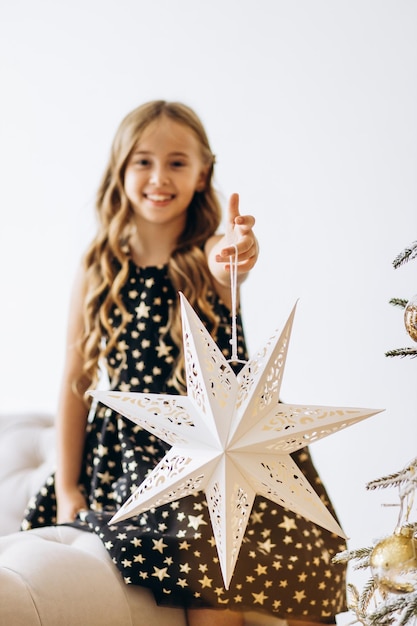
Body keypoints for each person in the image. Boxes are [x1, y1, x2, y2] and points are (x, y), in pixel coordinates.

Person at [22, 100, 347, 625]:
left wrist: (239, 250)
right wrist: (67, 487)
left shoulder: (211, 253)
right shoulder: (99, 264)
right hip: (144, 457)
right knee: (212, 583)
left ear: (203, 175)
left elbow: (231, 265)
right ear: (120, 170)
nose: (159, 177)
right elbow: (75, 379)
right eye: (143, 161)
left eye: (177, 162)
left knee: (309, 562)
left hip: (235, 441)